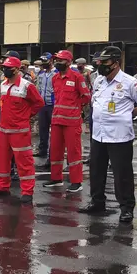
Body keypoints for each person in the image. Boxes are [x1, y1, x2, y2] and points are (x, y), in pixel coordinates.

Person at [79, 46, 137, 223]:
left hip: (119, 136)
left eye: (105, 62)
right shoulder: (99, 81)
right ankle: (97, 202)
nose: (101, 65)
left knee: (122, 175)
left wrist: (130, 113)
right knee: (97, 171)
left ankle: (126, 208)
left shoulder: (130, 82)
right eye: (99, 62)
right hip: (99, 135)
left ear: (116, 63)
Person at [0, 56, 44, 203]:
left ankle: (27, 191)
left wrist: (26, 116)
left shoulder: (27, 86)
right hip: (4, 130)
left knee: (24, 162)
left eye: (8, 68)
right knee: (3, 160)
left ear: (17, 69)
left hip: (20, 131)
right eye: (4, 68)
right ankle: (2, 187)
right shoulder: (3, 84)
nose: (5, 70)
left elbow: (39, 103)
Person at [42, 50, 90, 192]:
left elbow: (86, 96)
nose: (58, 62)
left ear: (69, 62)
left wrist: (75, 107)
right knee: (55, 150)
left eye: (61, 60)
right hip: (57, 119)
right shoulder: (55, 78)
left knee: (73, 152)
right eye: (57, 60)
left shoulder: (77, 77)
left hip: (72, 121)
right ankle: (56, 179)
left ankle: (76, 182)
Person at [34, 52, 55, 166]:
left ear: (51, 61)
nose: (43, 64)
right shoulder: (41, 74)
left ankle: (53, 155)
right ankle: (42, 150)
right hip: (42, 105)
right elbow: (38, 88)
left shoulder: (56, 73)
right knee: (43, 129)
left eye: (45, 62)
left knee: (54, 132)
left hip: (53, 105)